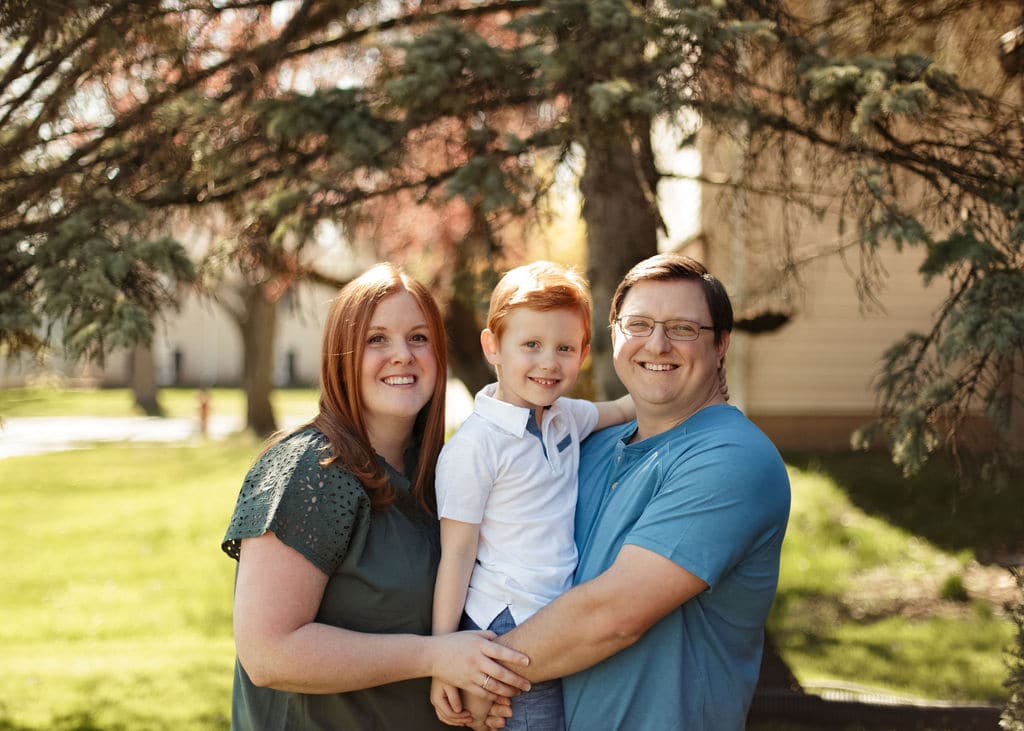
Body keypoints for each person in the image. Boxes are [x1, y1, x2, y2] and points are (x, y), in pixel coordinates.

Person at [485, 253, 792, 731]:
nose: (658, 343)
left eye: (684, 328)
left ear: (722, 344)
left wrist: (475, 672)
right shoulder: (586, 446)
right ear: (614, 335)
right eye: (639, 324)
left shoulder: (733, 458)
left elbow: (611, 616)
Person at [221, 263, 532, 731]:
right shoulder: (310, 471)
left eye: (419, 338)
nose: (402, 355)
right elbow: (268, 653)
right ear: (341, 355)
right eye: (376, 339)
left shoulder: (441, 475)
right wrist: (433, 657)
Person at [430, 262, 634, 730]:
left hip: (559, 613)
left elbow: (624, 408)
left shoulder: (565, 417)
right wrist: (443, 653)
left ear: (584, 353)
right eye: (531, 346)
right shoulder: (474, 447)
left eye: (565, 348)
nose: (549, 362)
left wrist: (694, 395)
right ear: (492, 347)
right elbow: (456, 554)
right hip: (506, 623)